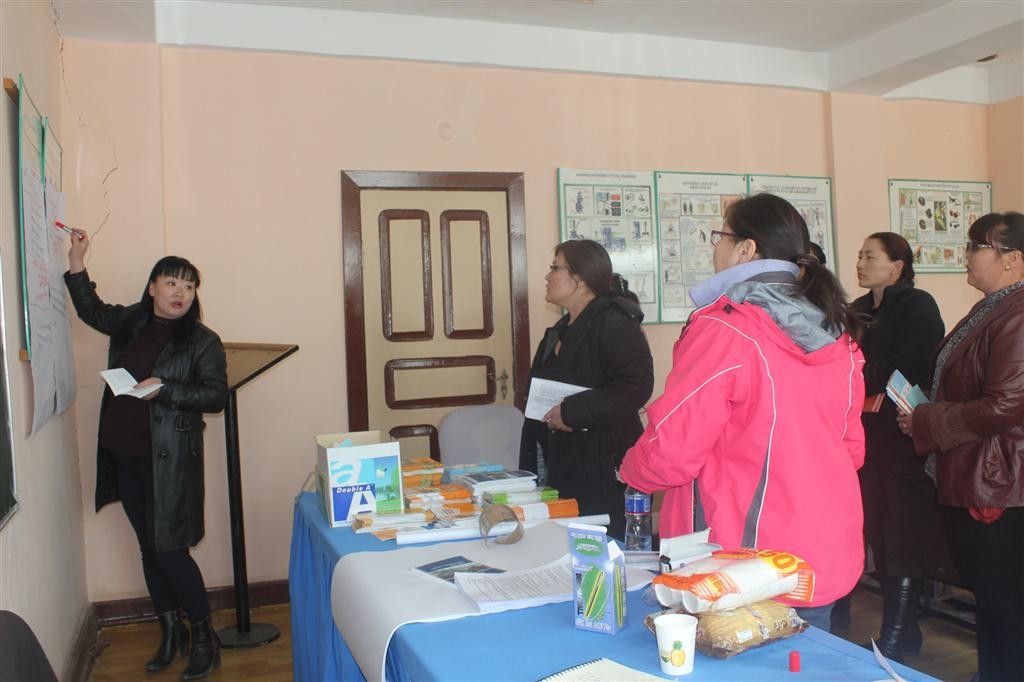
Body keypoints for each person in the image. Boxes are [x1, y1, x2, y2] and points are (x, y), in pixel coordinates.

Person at [619, 193, 867, 630]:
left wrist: (629, 471)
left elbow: (672, 449)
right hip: (822, 548)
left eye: (720, 236)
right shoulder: (837, 331)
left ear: (746, 249)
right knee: (806, 658)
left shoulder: (727, 328)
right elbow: (851, 448)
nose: (714, 247)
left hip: (742, 562)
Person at [65, 230, 227, 681]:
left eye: (189, 286)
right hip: (124, 452)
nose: (180, 292)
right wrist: (77, 260)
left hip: (170, 462)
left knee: (170, 550)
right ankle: (171, 629)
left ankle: (204, 638)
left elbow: (215, 395)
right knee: (149, 550)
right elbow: (91, 310)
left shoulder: (203, 341)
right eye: (171, 282)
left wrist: (166, 389)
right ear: (153, 287)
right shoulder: (131, 321)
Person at [898, 212, 1024, 682]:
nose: (966, 255)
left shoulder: (1018, 314)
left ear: (1012, 258)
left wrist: (926, 419)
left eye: (976, 246)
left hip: (1001, 483)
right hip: (980, 472)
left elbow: (1005, 405)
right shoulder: (995, 306)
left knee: (1005, 603)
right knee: (993, 599)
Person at [519, 240, 654, 540]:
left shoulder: (615, 322)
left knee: (603, 547)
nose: (547, 276)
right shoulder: (560, 329)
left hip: (604, 465)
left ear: (580, 279)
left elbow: (636, 385)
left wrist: (571, 412)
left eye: (555, 268)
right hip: (563, 463)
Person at [851, 232, 944, 658]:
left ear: (897, 266)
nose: (861, 263)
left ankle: (894, 637)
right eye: (860, 256)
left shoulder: (916, 305)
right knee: (877, 533)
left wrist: (859, 374)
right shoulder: (856, 309)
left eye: (871, 256)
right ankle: (905, 632)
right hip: (865, 441)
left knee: (902, 535)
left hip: (904, 439)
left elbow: (908, 366)